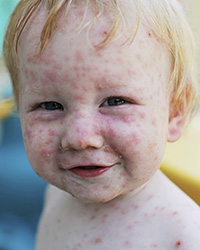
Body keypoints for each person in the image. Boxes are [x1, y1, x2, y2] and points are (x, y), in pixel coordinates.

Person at [3, 0, 200, 249]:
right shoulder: (55, 195)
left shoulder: (183, 236)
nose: (80, 137)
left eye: (115, 101)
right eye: (50, 105)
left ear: (175, 111)